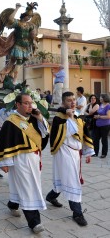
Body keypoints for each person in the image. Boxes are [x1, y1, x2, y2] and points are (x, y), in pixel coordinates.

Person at [0, 93, 49, 234]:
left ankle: (13, 203)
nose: (30, 106)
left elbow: (45, 133)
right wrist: (4, 162)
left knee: (22, 187)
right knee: (29, 189)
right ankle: (34, 222)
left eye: (31, 103)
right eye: (26, 103)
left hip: (34, 159)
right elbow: (6, 142)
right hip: (20, 160)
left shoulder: (33, 119)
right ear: (17, 104)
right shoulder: (11, 122)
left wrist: (40, 117)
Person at [47, 91, 94, 227]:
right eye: (69, 100)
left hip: (76, 153)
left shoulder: (78, 116)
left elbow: (84, 132)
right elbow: (61, 134)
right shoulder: (59, 118)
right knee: (73, 181)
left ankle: (51, 196)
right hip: (64, 152)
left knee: (64, 179)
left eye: (74, 99)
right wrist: (68, 117)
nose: (73, 102)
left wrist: (88, 152)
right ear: (63, 102)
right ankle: (77, 213)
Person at [0, 2, 40, 88]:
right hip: (17, 46)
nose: (29, 18)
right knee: (18, 62)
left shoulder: (30, 25)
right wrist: (16, 8)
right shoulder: (18, 23)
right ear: (24, 15)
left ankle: (9, 75)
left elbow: (33, 34)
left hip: (25, 48)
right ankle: (14, 80)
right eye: (28, 16)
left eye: (30, 17)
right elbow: (10, 19)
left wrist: (34, 38)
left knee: (14, 64)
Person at [93, 94, 110, 158]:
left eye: (100, 98)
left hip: (105, 126)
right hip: (98, 125)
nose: (99, 99)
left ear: (103, 98)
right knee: (96, 139)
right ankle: (95, 152)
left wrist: (99, 116)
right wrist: (96, 116)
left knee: (104, 140)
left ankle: (104, 153)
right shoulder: (101, 105)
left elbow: (108, 116)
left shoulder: (108, 106)